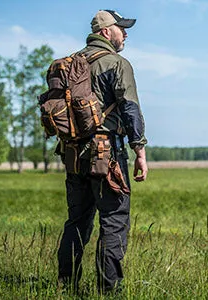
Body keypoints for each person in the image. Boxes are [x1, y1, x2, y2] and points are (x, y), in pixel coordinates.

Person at [57, 9, 148, 294]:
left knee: (77, 221)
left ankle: (66, 287)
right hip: (108, 156)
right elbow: (130, 109)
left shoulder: (72, 63)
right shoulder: (117, 63)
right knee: (114, 220)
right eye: (121, 27)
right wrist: (140, 150)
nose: (126, 32)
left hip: (73, 156)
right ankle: (108, 291)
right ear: (106, 32)